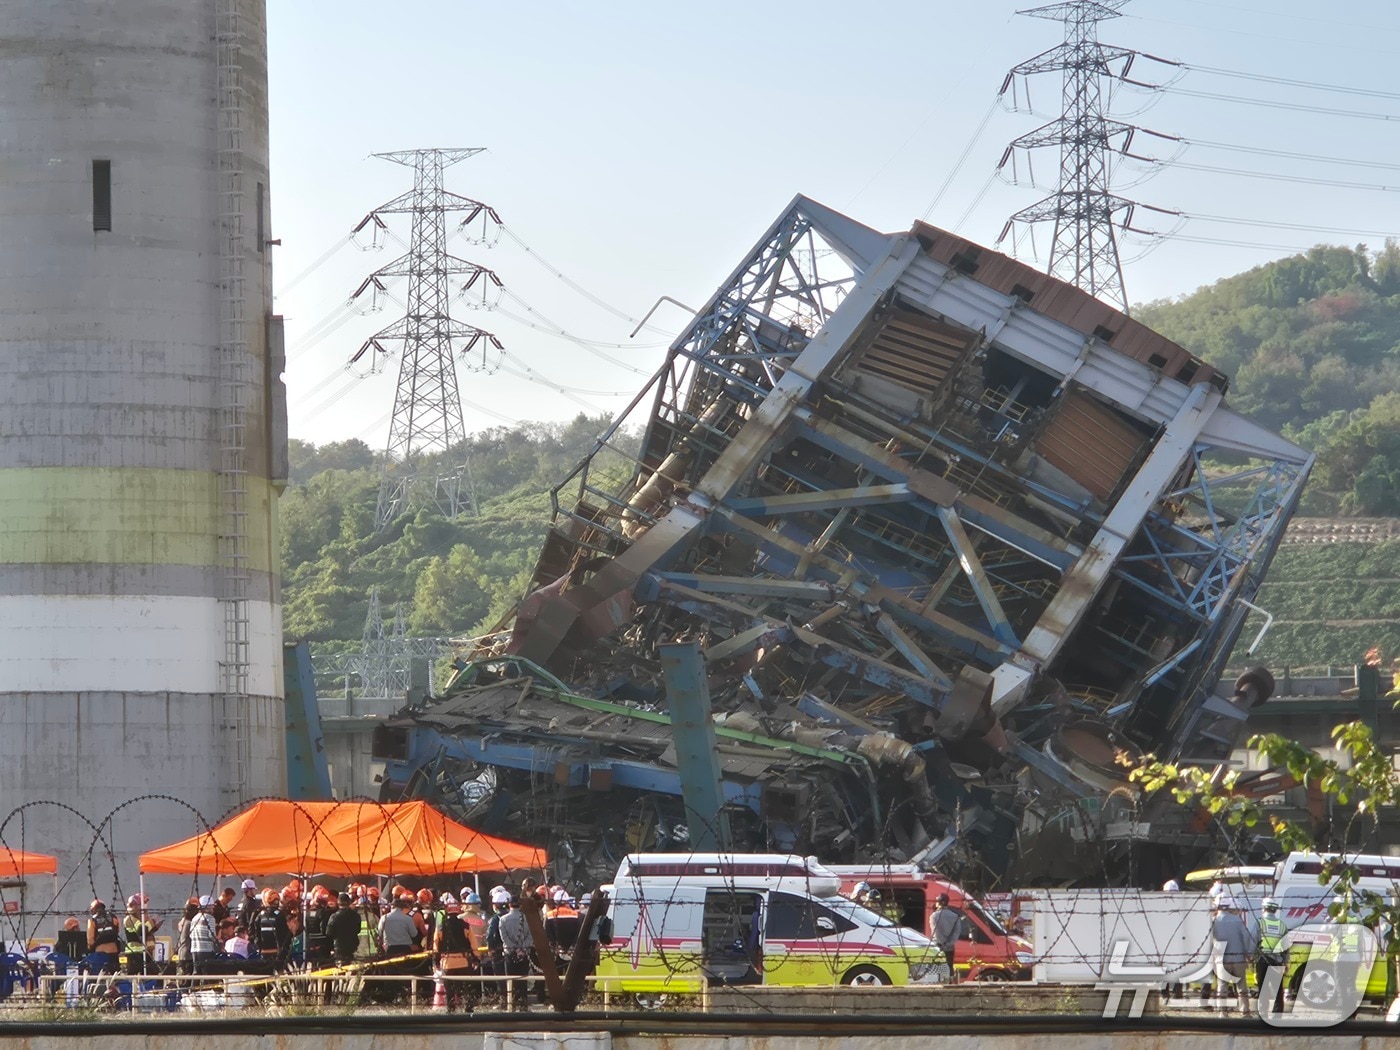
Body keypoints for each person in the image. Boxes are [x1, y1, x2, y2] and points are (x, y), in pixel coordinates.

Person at [1211, 896, 1257, 1015]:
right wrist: (1249, 954)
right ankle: (1245, 1011)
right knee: (1242, 986)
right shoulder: (1237, 920)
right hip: (1238, 958)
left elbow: (1209, 940)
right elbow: (1247, 938)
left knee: (1222, 986)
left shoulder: (1213, 921)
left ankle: (1222, 1013)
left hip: (1222, 959)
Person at [435, 896, 478, 1013]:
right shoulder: (465, 925)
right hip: (464, 961)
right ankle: (469, 1010)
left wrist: (435, 962)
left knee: (450, 990)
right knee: (467, 988)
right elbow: (473, 943)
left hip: (447, 963)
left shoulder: (441, 926)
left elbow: (436, 945)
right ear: (458, 910)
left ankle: (451, 1010)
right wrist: (476, 958)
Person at [1255, 896, 1289, 1014]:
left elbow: (1253, 940)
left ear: (1264, 908)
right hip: (1278, 960)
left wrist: (1250, 956)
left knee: (1263, 987)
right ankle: (1278, 1012)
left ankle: (1263, 1012)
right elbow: (1286, 946)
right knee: (1278, 989)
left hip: (1262, 959)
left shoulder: (1259, 922)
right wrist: (1286, 961)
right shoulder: (1282, 925)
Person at [498, 894, 532, 1010]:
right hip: (524, 953)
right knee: (523, 981)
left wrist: (514, 949)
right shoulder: (526, 918)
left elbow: (504, 938)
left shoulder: (503, 920)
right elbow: (529, 936)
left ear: (509, 904)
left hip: (509, 954)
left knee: (510, 980)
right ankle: (523, 1005)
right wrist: (522, 949)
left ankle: (511, 1005)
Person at [121, 893, 161, 974]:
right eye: (140, 905)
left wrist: (155, 927)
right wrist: (152, 921)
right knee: (135, 976)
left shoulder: (138, 918)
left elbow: (146, 932)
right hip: (134, 953)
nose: (142, 908)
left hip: (144, 952)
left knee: (153, 973)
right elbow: (142, 930)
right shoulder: (130, 918)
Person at [86, 899, 122, 975]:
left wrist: (90, 948)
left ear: (93, 909)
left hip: (100, 953)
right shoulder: (113, 917)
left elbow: (90, 939)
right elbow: (117, 930)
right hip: (114, 952)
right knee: (115, 976)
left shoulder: (93, 920)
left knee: (95, 977)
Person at [327, 892, 363, 967]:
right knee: (352, 968)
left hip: (339, 947)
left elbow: (329, 932)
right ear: (349, 902)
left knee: (340, 970)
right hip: (353, 946)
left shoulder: (334, 917)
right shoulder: (355, 915)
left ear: (338, 903)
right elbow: (358, 930)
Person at [931, 893, 961, 985]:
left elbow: (935, 932)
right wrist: (948, 944)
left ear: (940, 903)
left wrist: (941, 944)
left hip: (937, 947)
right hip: (950, 947)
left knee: (937, 967)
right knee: (949, 966)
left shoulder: (934, 916)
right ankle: (950, 983)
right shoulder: (955, 916)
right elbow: (956, 933)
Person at [188, 896, 219, 974]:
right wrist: (219, 941)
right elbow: (211, 935)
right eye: (212, 906)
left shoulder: (195, 918)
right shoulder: (210, 918)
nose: (213, 908)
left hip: (194, 949)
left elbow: (190, 935)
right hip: (206, 950)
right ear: (207, 907)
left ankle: (193, 986)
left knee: (196, 973)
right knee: (206, 974)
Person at [174, 898, 200, 974]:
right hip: (188, 953)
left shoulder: (183, 921)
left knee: (184, 975)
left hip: (182, 952)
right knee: (188, 975)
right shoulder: (189, 923)